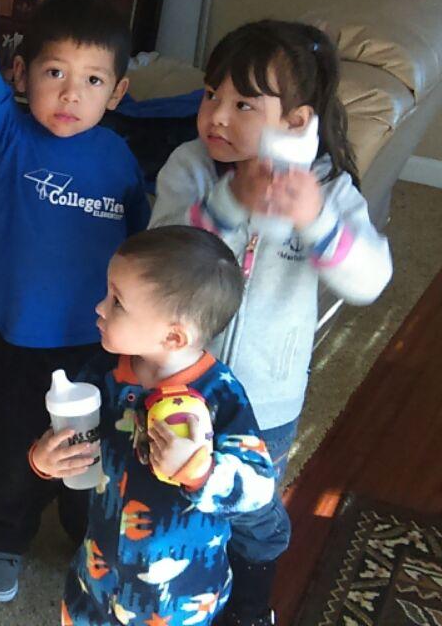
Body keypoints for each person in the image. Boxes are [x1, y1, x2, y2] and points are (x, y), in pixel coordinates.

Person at [149, 20, 393, 625]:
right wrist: (232, 201)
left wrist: (316, 221)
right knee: (169, 488)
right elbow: (163, 255)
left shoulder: (328, 191)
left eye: (242, 104)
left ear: (296, 122)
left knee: (250, 508)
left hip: (266, 397)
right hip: (179, 378)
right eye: (211, 95)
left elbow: (369, 282)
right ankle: (167, 588)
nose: (217, 116)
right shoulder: (190, 167)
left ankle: (251, 606)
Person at [0, 0, 151, 602]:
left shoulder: (121, 161)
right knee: (12, 445)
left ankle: (83, 529)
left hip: (100, 341)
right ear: (22, 74)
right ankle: (4, 535)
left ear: (118, 93)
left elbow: (145, 250)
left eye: (93, 81)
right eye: (55, 72)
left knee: (95, 450)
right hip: (16, 339)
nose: (70, 93)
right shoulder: (8, 143)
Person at [31, 226, 276, 625]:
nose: (99, 307)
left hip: (177, 599)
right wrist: (45, 458)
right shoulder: (102, 374)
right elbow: (68, 439)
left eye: (117, 303)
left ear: (174, 336)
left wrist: (201, 470)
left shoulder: (220, 395)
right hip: (94, 580)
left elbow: (258, 490)